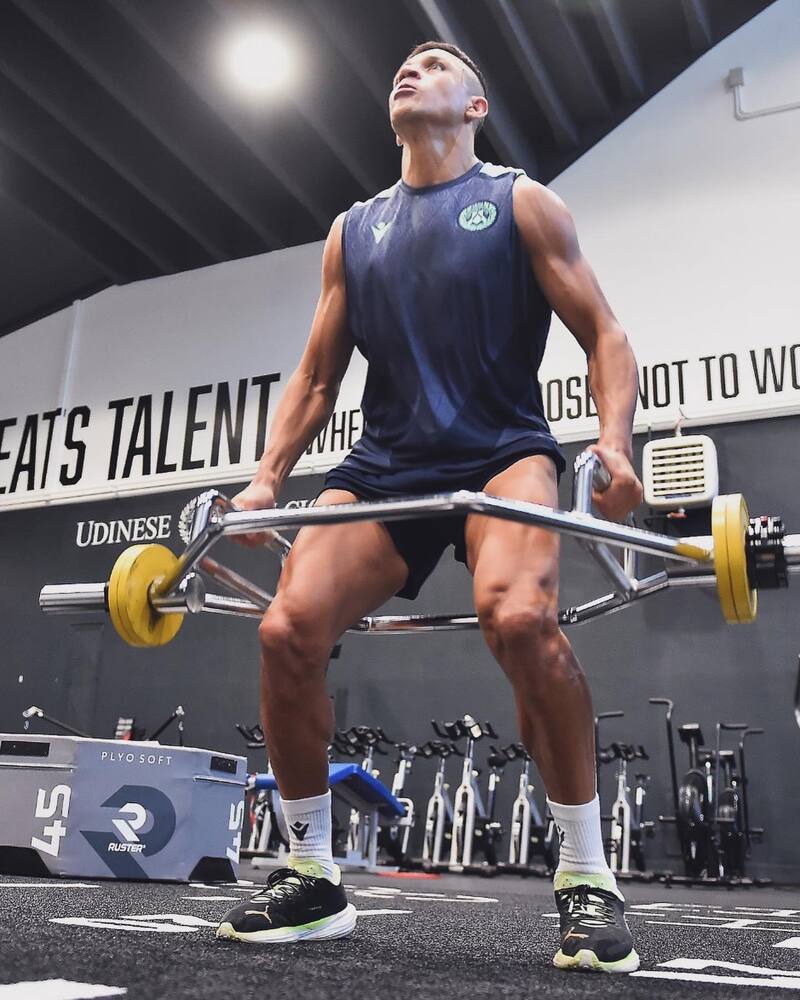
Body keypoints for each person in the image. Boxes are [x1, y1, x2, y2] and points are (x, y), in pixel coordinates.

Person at [216, 41, 643, 973]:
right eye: (404, 65)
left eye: (437, 62)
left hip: (502, 454)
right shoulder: (352, 229)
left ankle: (585, 877)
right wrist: (264, 479)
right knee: (287, 629)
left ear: (476, 103)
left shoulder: (522, 199)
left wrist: (613, 444)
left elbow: (605, 332)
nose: (411, 70)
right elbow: (320, 372)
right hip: (386, 467)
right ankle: (313, 876)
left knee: (523, 618)